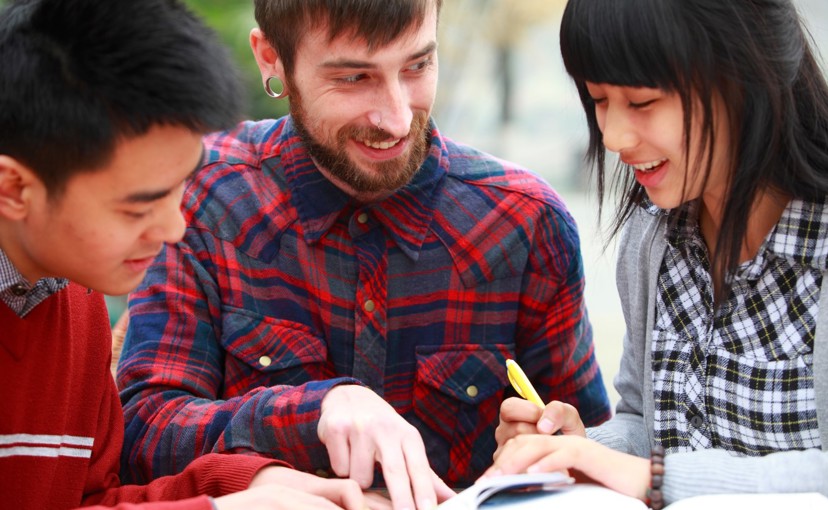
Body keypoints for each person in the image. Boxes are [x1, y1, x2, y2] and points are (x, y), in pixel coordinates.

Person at [116, 0, 612, 508]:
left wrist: (562, 448)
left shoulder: (526, 224)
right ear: (273, 60)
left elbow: (585, 451)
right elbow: (141, 435)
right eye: (354, 78)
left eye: (417, 66)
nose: (396, 119)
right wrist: (312, 412)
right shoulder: (198, 197)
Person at [0, 0, 380, 508]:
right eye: (139, 207)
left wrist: (248, 484)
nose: (175, 228)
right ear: (14, 188)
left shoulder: (75, 299)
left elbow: (92, 500)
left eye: (182, 186)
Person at [486, 0, 828, 506]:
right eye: (600, 101)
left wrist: (653, 477)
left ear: (745, 77)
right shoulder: (652, 240)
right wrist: (574, 449)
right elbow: (646, 422)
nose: (613, 137)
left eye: (643, 103)